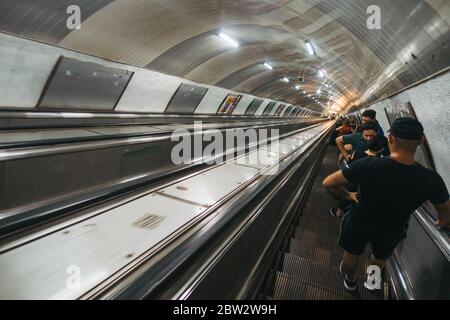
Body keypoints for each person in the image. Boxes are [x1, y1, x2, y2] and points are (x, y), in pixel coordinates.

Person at [323, 117, 450, 292]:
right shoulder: (432, 180)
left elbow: (329, 183)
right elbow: (446, 215)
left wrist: (349, 195)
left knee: (351, 254)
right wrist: (441, 223)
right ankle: (371, 282)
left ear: (390, 139)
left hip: (359, 219)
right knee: (379, 258)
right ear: (420, 141)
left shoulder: (368, 164)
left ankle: (350, 280)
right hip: (392, 227)